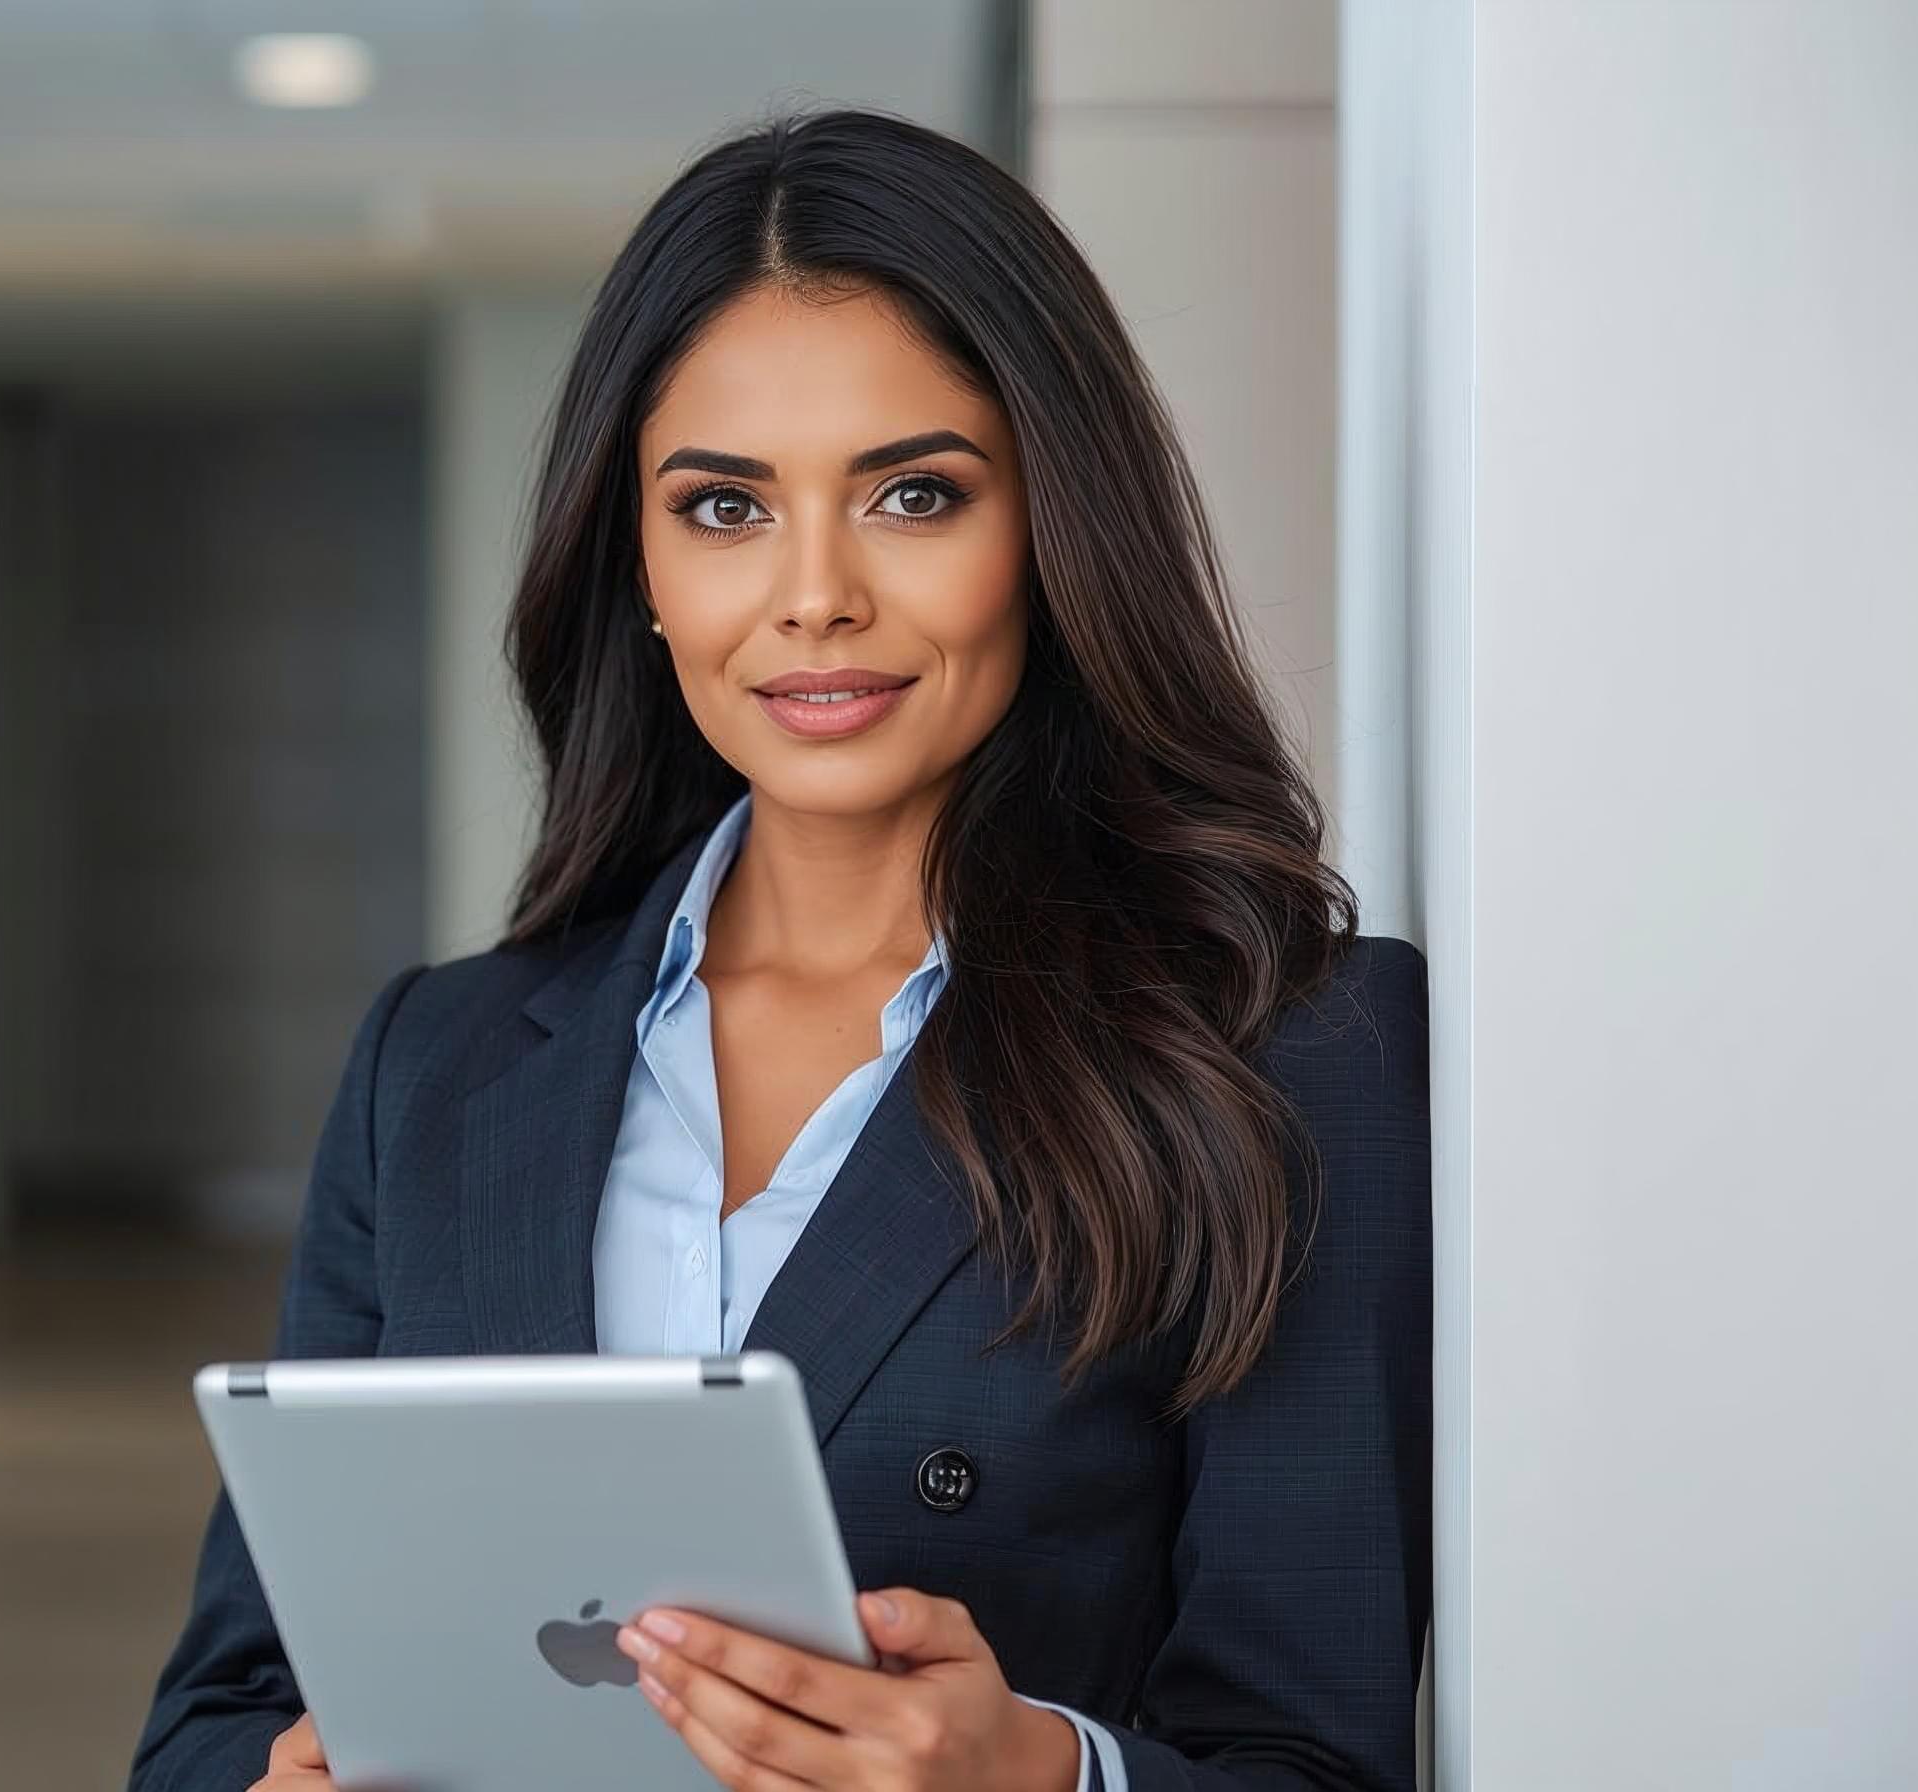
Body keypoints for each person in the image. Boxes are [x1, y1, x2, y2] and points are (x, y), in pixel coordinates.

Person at [129, 107, 1428, 1792]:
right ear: (644, 566)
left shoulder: (1285, 1051)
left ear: (1052, 525)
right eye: (727, 508)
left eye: (912, 493)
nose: (813, 595)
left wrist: (1044, 1777)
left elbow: (1316, 1758)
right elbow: (215, 1716)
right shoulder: (438, 1067)